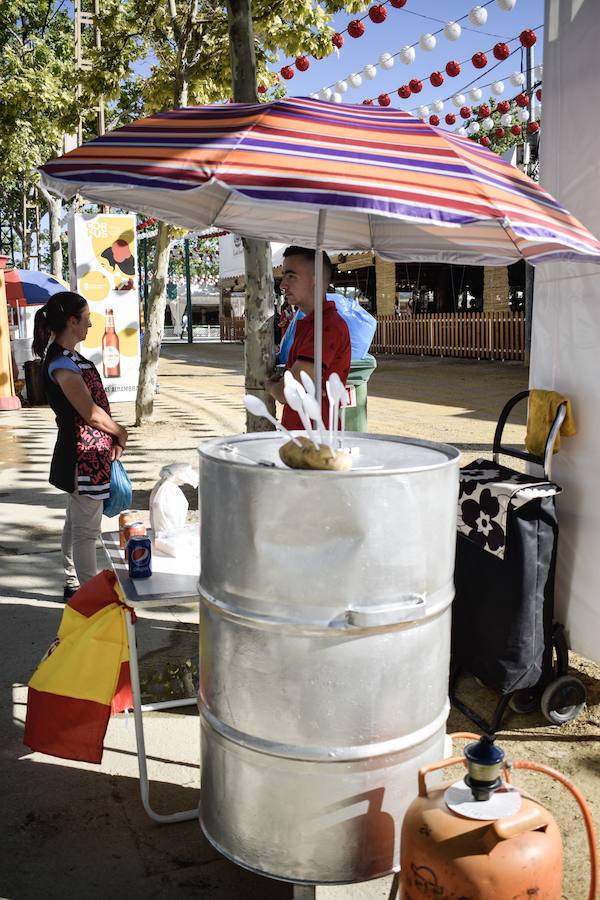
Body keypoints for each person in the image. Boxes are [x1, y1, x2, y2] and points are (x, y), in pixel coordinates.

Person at [32, 292, 128, 600]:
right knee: (86, 531)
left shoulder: (68, 358)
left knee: (75, 522)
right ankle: (92, 598)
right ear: (72, 322)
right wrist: (120, 431)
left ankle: (73, 582)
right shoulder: (62, 364)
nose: (90, 323)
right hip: (83, 458)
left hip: (87, 455)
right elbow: (89, 412)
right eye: (85, 318)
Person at [265, 246, 351, 431]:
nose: (283, 285)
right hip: (304, 434)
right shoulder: (312, 323)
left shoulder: (327, 327)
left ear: (316, 280)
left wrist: (269, 385)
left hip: (316, 440)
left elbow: (289, 392)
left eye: (291, 276)